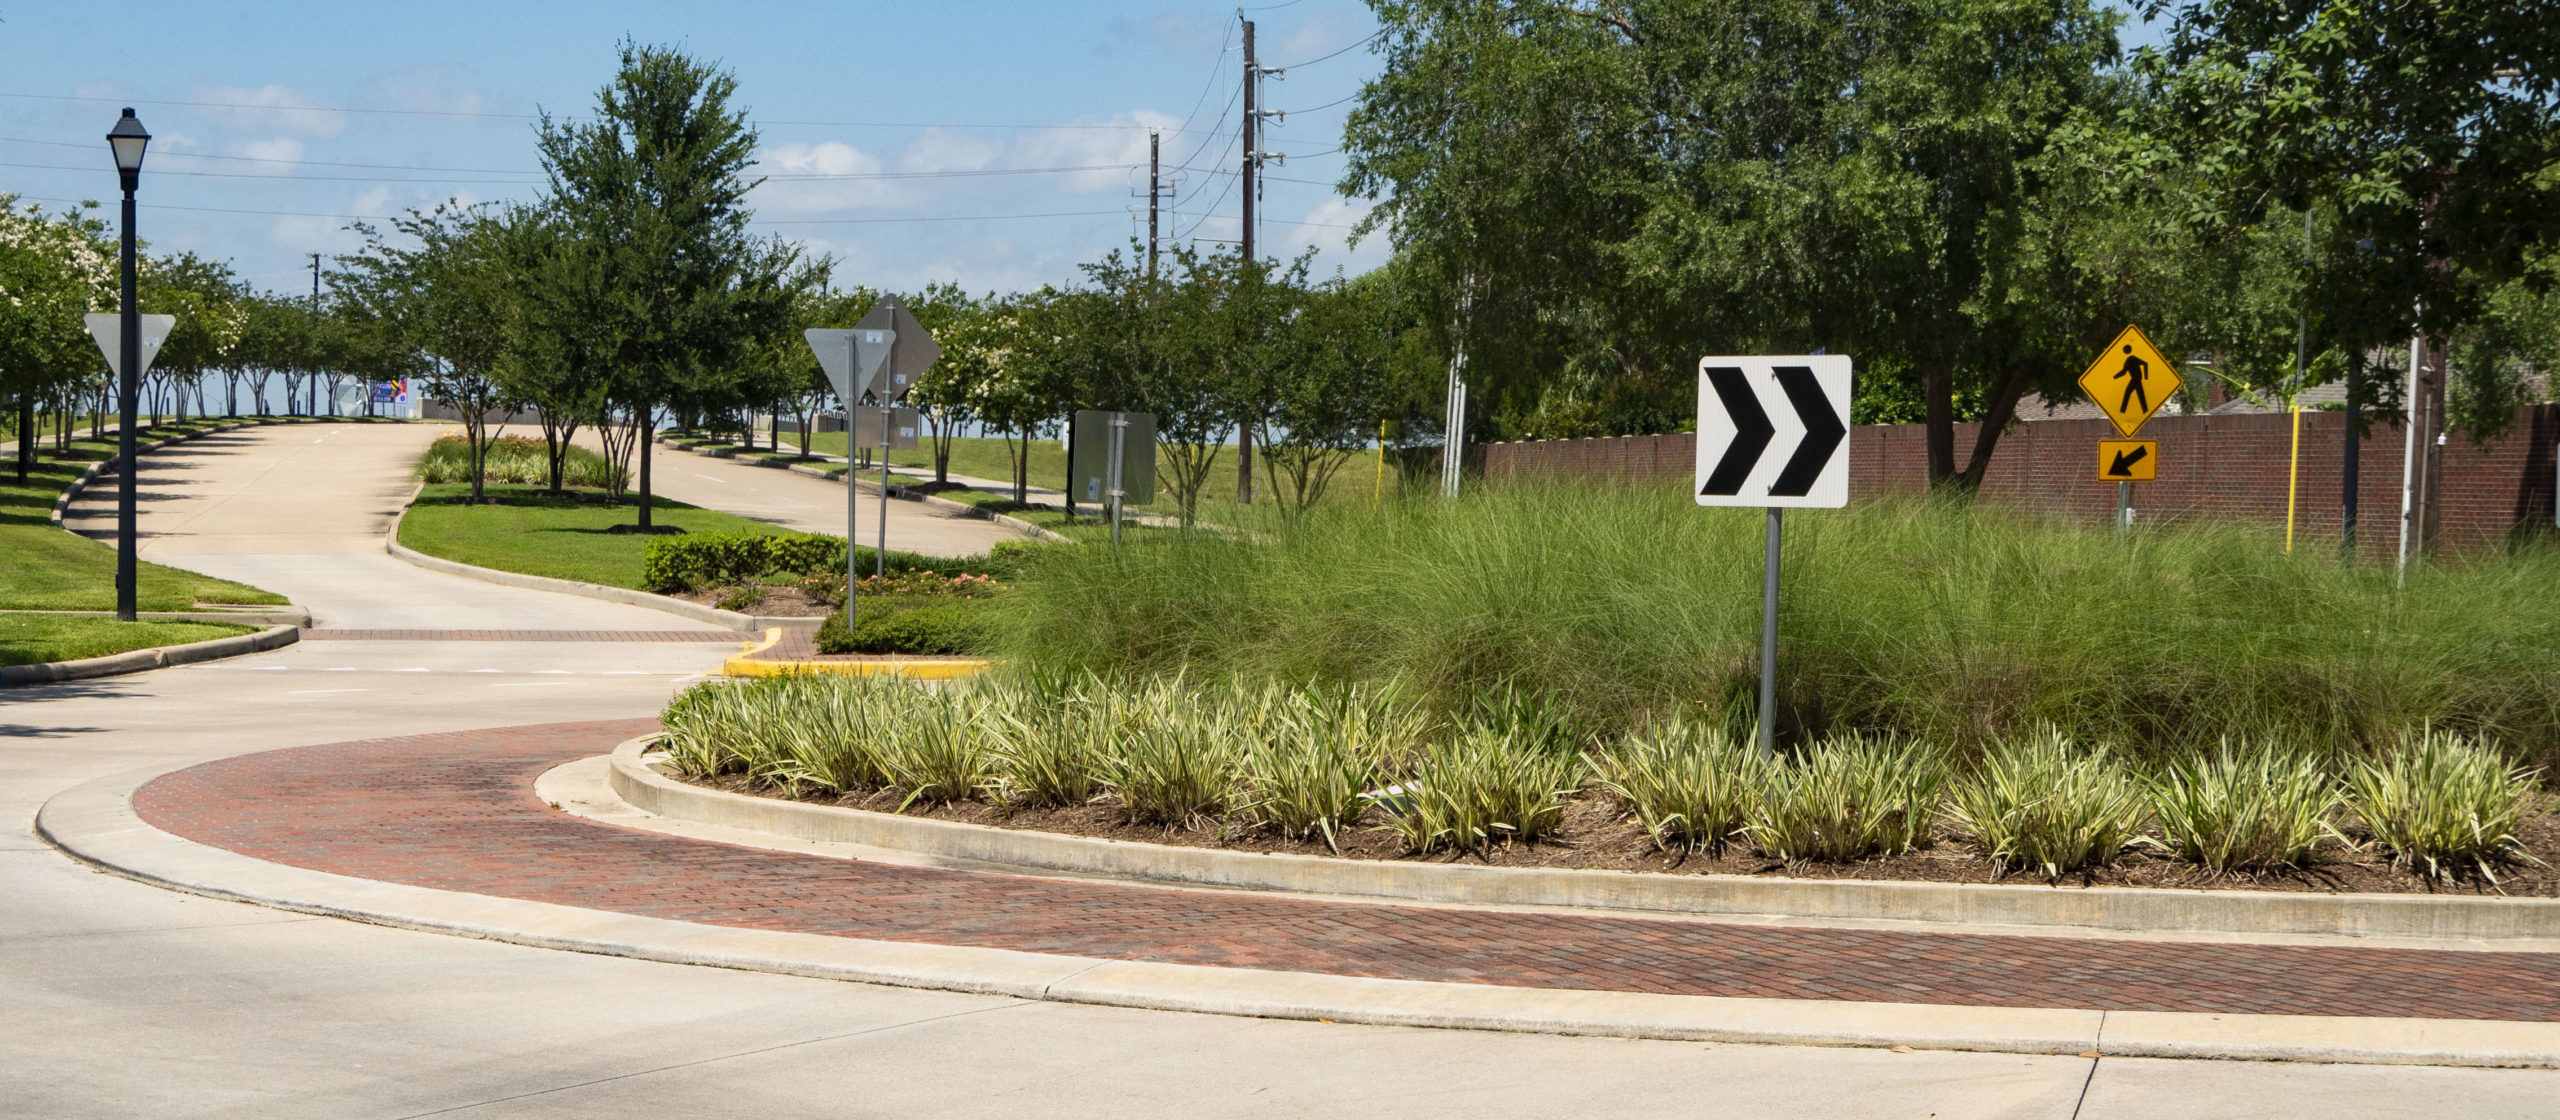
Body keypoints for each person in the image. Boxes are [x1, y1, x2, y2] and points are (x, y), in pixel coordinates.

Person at [2113, 345, 2150, 414]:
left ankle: (2122, 411)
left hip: (2135, 379)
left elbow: (2124, 372)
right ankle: (2145, 410)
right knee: (2140, 395)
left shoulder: (2129, 360)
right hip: (2138, 379)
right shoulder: (2133, 358)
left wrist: (2114, 377)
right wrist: (2145, 377)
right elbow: (2145, 364)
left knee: (2128, 393)